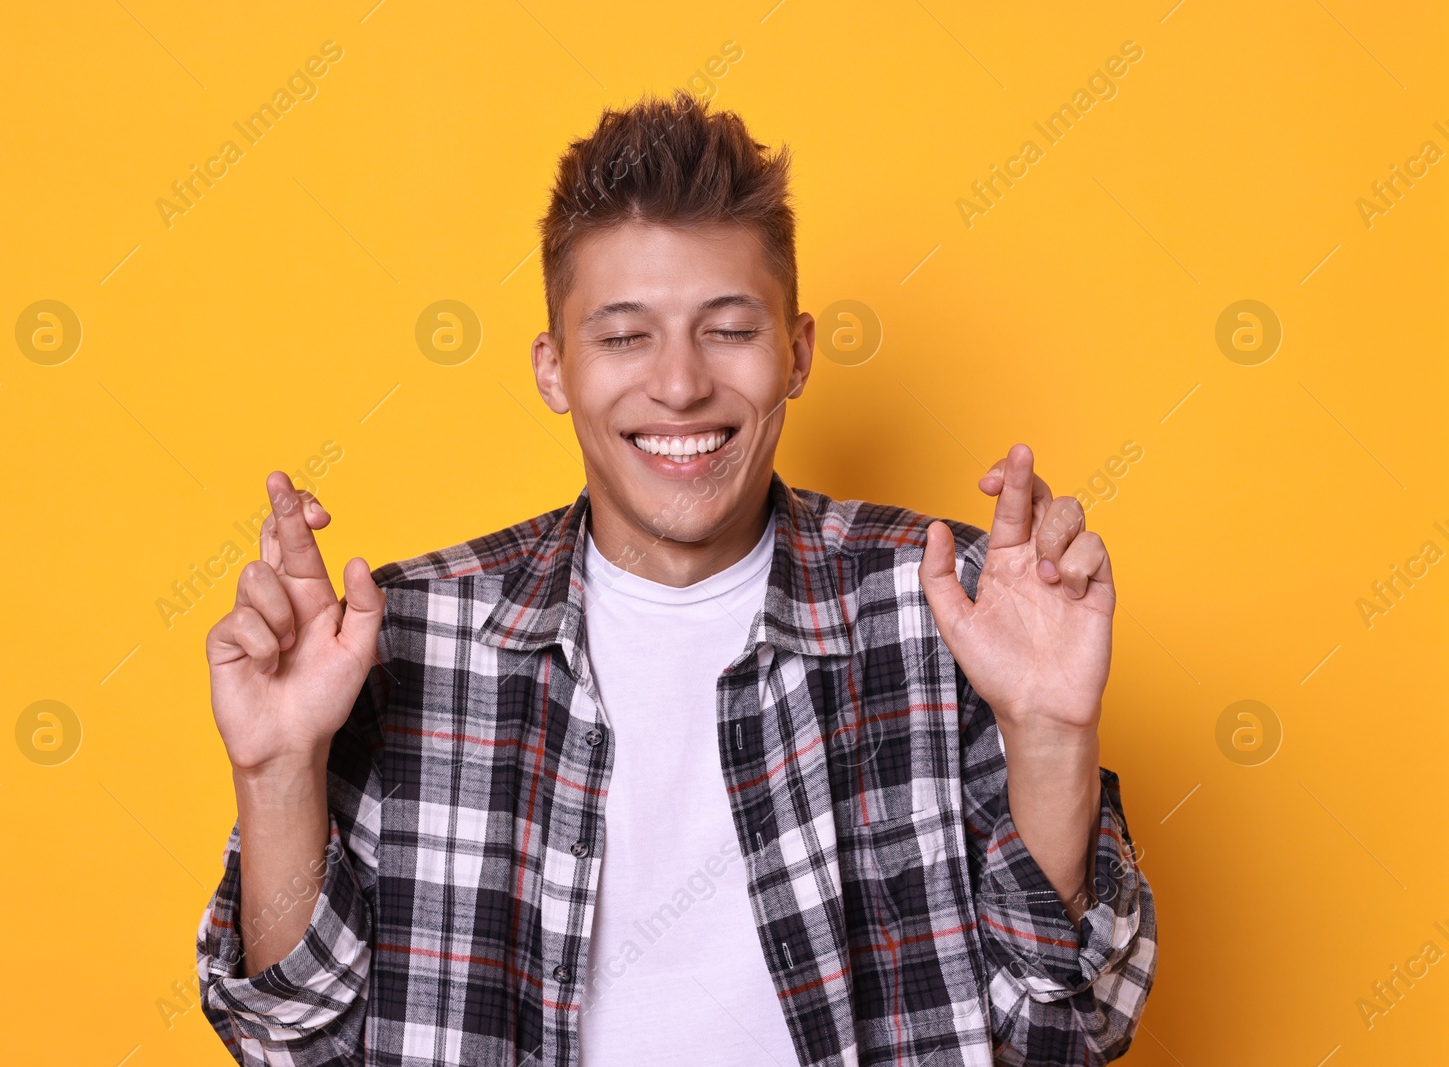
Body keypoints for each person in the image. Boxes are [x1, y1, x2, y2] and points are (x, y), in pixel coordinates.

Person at [196, 90, 1156, 1066]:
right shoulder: (406, 636)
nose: (681, 382)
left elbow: (1067, 1030)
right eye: (622, 336)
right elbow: (290, 1041)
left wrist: (1049, 735)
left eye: (729, 328)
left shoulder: (948, 608)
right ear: (554, 369)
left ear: (797, 352)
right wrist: (276, 774)